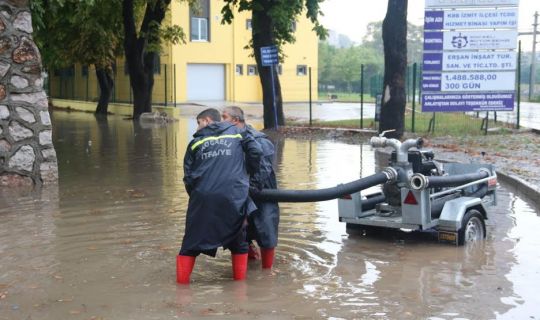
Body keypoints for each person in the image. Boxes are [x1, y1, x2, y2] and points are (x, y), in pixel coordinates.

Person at [177, 108, 262, 284]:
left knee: (190, 244)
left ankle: (182, 291)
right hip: (233, 196)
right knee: (238, 242)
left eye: (198, 122)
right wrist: (246, 177)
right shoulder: (237, 133)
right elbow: (256, 152)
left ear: (207, 121)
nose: (197, 126)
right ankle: (240, 291)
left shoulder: (195, 142)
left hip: (203, 198)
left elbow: (188, 176)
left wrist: (198, 196)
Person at [222, 106, 280, 269]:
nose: (221, 120)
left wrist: (248, 188)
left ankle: (267, 272)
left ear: (235, 120)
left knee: (266, 229)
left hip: (262, 193)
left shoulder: (260, 140)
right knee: (239, 232)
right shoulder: (227, 140)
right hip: (241, 193)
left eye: (224, 117)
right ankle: (249, 262)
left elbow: (263, 170)